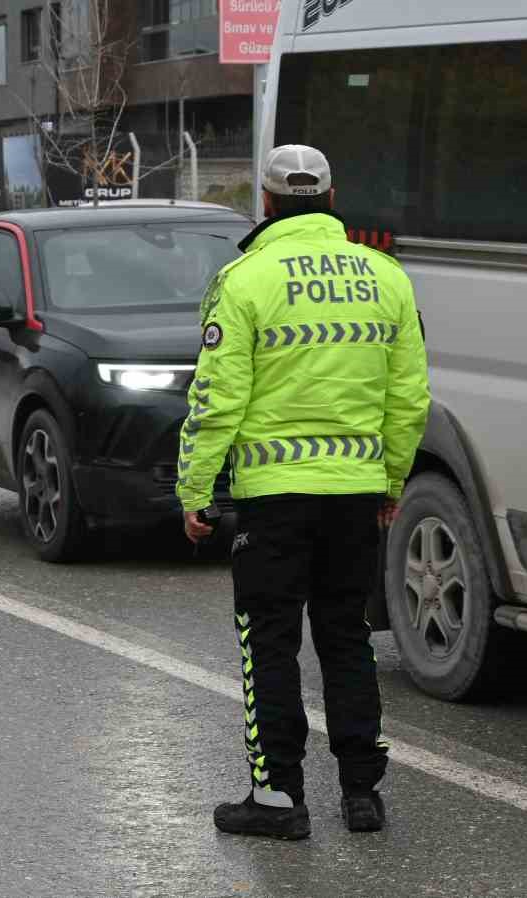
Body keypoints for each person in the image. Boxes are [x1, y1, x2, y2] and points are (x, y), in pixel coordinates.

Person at [175, 144, 430, 840]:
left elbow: (216, 398)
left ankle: (280, 797)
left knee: (271, 644)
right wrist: (392, 481)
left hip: (274, 500)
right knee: (347, 637)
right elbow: (409, 398)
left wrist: (196, 489)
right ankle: (361, 793)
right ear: (331, 193)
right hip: (356, 494)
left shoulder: (245, 278)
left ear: (265, 202)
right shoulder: (386, 277)